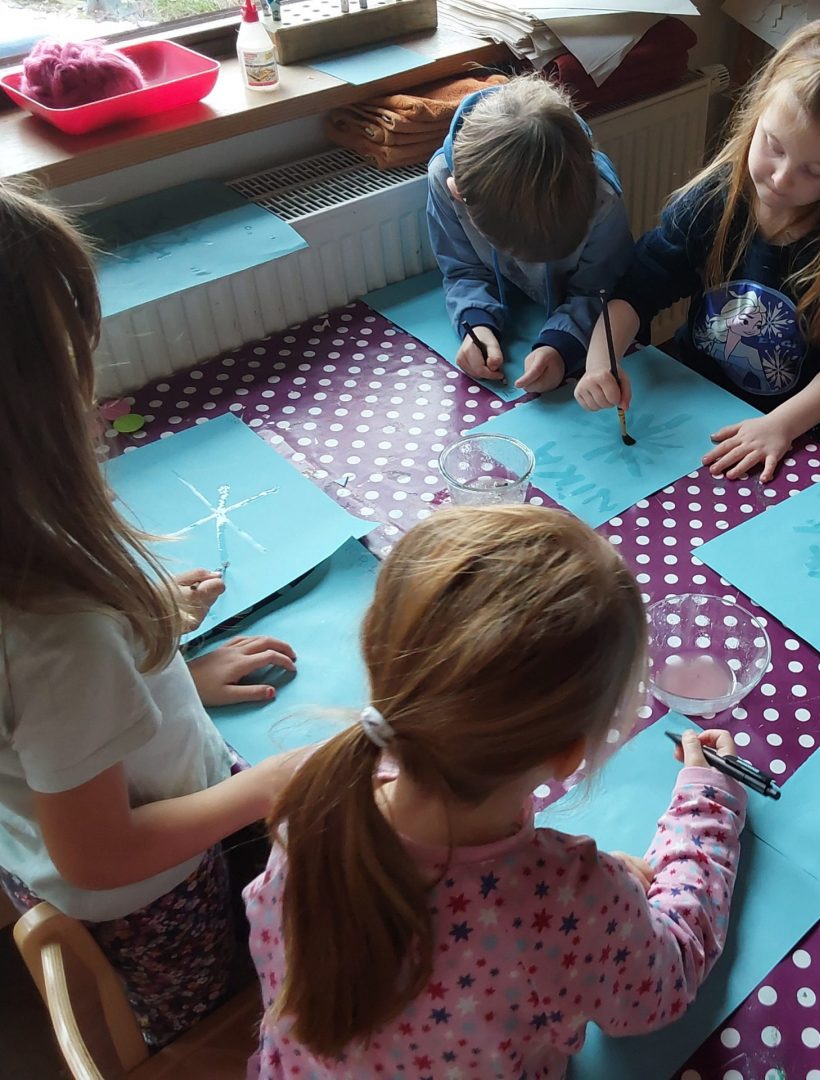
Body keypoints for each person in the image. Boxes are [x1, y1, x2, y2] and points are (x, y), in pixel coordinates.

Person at [246, 506, 746, 1077]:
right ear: (569, 755)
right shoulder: (567, 900)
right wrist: (708, 802)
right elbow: (662, 982)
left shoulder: (315, 807)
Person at [0, 180, 298, 1048]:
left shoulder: (33, 571)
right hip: (153, 901)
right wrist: (267, 786)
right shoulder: (60, 633)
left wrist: (159, 662)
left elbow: (40, 723)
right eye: (67, 353)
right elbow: (103, 851)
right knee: (237, 1010)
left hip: (78, 838)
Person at [576, 17, 820, 483]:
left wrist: (780, 426)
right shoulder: (715, 200)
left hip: (783, 436)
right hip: (690, 403)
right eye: (773, 145)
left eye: (814, 170)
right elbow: (638, 287)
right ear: (756, 117)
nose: (781, 176)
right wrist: (600, 360)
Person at [427, 76, 634, 394]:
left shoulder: (601, 199)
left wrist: (560, 346)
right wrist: (476, 324)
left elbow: (600, 290)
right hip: (523, 321)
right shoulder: (444, 178)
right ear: (458, 194)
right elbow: (463, 269)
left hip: (596, 337)